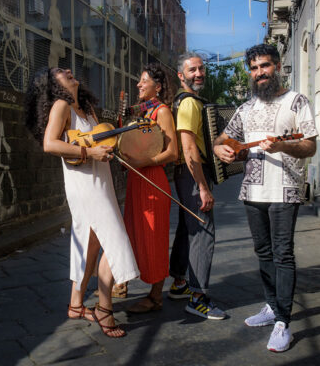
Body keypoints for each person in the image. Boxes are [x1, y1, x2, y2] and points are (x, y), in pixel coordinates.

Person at [213, 44, 318, 352]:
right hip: (252, 191)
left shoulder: (297, 102)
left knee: (283, 254)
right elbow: (224, 138)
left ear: (277, 65)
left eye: (265, 66)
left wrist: (283, 147)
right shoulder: (246, 108)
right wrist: (221, 147)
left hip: (285, 189)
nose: (259, 72)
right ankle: (271, 306)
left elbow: (310, 146)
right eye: (255, 68)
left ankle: (283, 322)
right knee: (263, 251)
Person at [24, 67, 139, 338]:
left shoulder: (85, 107)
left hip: (101, 180)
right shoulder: (61, 105)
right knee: (116, 242)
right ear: (54, 84)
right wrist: (89, 152)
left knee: (90, 242)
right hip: (85, 186)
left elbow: (99, 140)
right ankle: (104, 307)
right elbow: (50, 144)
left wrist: (107, 150)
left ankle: (76, 305)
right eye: (61, 72)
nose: (68, 70)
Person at [168, 52, 226, 320]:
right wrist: (203, 186)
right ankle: (198, 297)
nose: (199, 73)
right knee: (203, 232)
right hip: (193, 173)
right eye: (192, 70)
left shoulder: (182, 102)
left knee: (187, 226)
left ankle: (180, 282)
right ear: (181, 76)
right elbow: (189, 147)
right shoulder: (190, 103)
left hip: (184, 173)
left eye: (201, 68)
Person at [123, 63, 178, 312]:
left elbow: (172, 152)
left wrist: (145, 161)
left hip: (152, 179)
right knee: (134, 233)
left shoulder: (162, 111)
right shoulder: (143, 112)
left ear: (157, 86)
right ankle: (122, 281)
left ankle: (155, 296)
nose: (138, 84)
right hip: (137, 178)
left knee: (153, 236)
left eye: (143, 80)